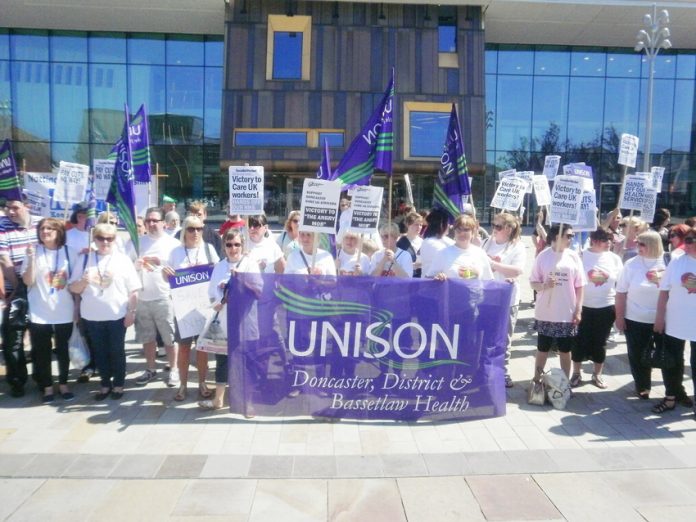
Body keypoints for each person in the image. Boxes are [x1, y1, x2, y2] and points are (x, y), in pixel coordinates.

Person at [69, 223, 140, 400]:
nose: (105, 242)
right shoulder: (85, 259)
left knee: (116, 350)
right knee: (99, 351)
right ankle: (105, 383)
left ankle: (118, 384)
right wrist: (84, 281)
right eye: (101, 238)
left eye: (109, 238)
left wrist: (131, 311)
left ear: (115, 239)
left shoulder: (122, 259)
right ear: (95, 239)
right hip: (92, 316)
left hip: (117, 314)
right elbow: (74, 288)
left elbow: (134, 289)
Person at [201, 228, 261, 412]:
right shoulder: (219, 266)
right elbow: (211, 293)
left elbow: (259, 291)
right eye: (229, 244)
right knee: (222, 361)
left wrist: (241, 280)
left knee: (247, 362)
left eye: (237, 244)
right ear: (224, 247)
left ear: (243, 246)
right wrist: (218, 301)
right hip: (225, 322)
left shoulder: (250, 264)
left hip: (245, 321)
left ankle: (248, 402)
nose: (233, 248)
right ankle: (219, 399)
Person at [163, 216, 220, 402]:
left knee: (203, 348)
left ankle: (202, 383)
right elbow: (168, 278)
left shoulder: (209, 249)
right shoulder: (176, 252)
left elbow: (218, 274)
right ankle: (183, 385)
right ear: (184, 231)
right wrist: (165, 273)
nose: (195, 233)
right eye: (191, 229)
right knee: (185, 348)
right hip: (183, 309)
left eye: (199, 228)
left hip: (204, 308)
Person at [21, 218, 78, 402]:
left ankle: (63, 383)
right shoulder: (33, 252)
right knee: (41, 352)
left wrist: (77, 308)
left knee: (63, 350)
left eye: (50, 228)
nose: (45, 231)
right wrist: (30, 260)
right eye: (42, 228)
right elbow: (28, 281)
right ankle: (46, 387)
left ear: (59, 231)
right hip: (40, 312)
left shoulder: (70, 252)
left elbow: (75, 283)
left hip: (64, 311)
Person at [529, 225, 586, 383]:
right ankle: (537, 380)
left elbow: (580, 285)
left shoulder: (573, 257)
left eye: (572, 236)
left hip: (566, 312)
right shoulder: (543, 256)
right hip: (546, 311)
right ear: (556, 236)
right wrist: (545, 285)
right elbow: (533, 282)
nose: (571, 239)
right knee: (543, 349)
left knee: (565, 350)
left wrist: (578, 309)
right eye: (568, 235)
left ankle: (564, 383)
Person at [615, 230, 666, 401]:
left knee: (667, 354)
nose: (638, 247)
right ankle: (642, 385)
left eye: (642, 244)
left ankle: (673, 390)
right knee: (638, 354)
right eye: (637, 243)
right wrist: (619, 318)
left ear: (653, 244)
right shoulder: (631, 264)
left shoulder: (668, 261)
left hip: (664, 319)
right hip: (635, 318)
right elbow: (620, 292)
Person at [133, 207, 180, 388]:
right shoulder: (137, 242)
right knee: (147, 338)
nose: (151, 224)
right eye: (148, 221)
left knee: (169, 338)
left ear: (163, 223)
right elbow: (125, 265)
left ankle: (174, 370)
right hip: (142, 298)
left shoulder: (173, 244)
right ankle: (151, 369)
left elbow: (180, 270)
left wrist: (166, 267)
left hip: (164, 297)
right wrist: (134, 265)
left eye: (155, 221)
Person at [570, 227, 623, 389]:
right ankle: (576, 373)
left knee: (600, 342)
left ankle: (597, 374)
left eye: (611, 240)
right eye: (605, 240)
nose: (609, 243)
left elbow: (620, 283)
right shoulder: (580, 256)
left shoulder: (614, 258)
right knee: (579, 340)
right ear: (594, 240)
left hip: (606, 306)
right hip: (583, 306)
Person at [653, 226, 696, 415]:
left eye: (689, 240)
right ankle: (671, 397)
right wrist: (659, 318)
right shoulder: (676, 262)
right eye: (685, 239)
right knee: (671, 362)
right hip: (675, 322)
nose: (683, 244)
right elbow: (664, 292)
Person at [0, 197, 39, 398]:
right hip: (14, 290)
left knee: (39, 336)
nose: (10, 212)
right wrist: (18, 289)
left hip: (40, 291)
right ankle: (17, 381)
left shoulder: (42, 224)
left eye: (15, 207)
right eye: (7, 207)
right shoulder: (2, 227)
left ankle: (42, 378)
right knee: (13, 338)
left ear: (27, 207)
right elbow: (4, 260)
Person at [481, 212, 526, 387]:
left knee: (504, 338)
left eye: (498, 226)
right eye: (493, 225)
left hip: (507, 299)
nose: (494, 229)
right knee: (486, 336)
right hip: (487, 297)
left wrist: (494, 265)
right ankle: (485, 369)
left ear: (508, 229)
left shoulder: (517, 246)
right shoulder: (486, 243)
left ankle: (503, 371)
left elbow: (516, 271)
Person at [430, 214, 493, 281]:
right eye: (459, 230)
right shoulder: (443, 253)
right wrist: (437, 278)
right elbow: (427, 280)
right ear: (454, 231)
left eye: (466, 230)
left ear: (472, 232)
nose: (462, 233)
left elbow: (490, 282)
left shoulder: (480, 253)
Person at [420, 208, 454, 278]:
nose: (449, 225)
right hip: (431, 285)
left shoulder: (443, 239)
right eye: (447, 223)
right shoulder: (430, 243)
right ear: (442, 225)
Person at [396, 211, 424, 277]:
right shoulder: (400, 242)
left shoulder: (423, 242)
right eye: (416, 224)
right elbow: (397, 263)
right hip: (407, 277)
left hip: (421, 277)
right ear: (408, 225)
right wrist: (413, 265)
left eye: (420, 225)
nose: (419, 227)